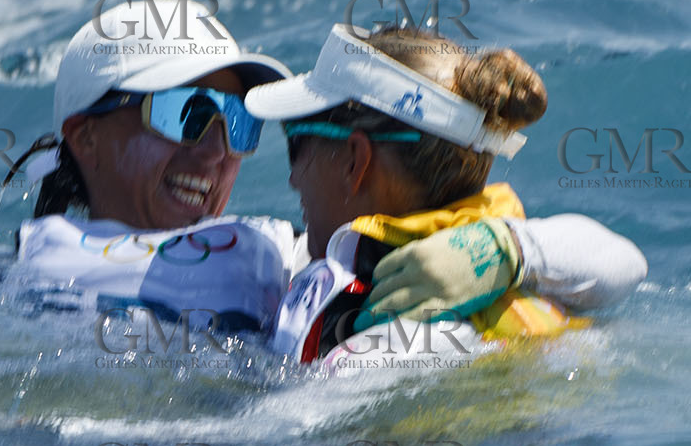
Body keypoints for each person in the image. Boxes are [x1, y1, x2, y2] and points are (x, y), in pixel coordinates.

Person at [1, 0, 637, 345]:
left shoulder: (280, 255)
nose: (218, 150)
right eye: (187, 114)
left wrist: (509, 248)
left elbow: (618, 261)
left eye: (240, 121)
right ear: (84, 136)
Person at [243, 22, 647, 365]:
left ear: (355, 160)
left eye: (296, 142)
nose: (294, 177)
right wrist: (507, 247)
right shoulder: (524, 274)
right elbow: (628, 264)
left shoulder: (372, 348)